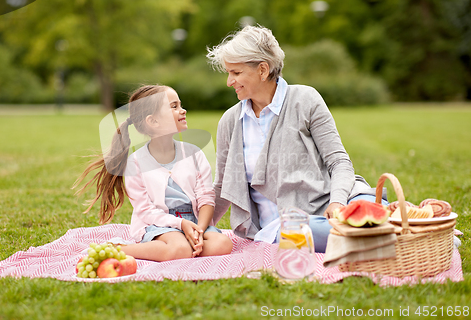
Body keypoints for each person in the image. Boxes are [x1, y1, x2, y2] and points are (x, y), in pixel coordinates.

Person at [207, 25, 386, 253]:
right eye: (228, 73)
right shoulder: (230, 121)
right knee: (362, 232)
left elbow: (338, 161)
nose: (229, 81)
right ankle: (389, 237)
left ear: (263, 70)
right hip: (286, 226)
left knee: (377, 216)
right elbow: (223, 185)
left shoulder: (305, 99)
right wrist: (195, 227)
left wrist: (338, 202)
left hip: (336, 203)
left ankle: (407, 227)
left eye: (236, 73)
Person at [73, 85, 233, 261]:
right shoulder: (135, 163)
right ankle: (122, 249)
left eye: (180, 105)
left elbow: (206, 197)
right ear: (153, 121)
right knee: (180, 248)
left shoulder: (195, 154)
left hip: (194, 220)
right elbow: (146, 211)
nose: (183, 110)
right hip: (158, 223)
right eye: (174, 106)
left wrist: (199, 230)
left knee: (222, 244)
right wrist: (180, 224)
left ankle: (180, 247)